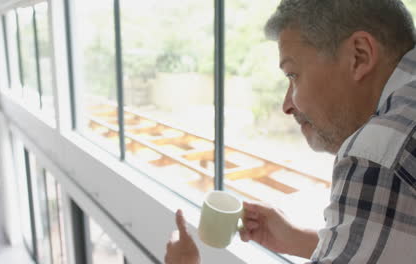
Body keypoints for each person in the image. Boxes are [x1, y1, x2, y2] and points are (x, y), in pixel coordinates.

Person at [165, 0, 416, 263]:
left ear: (359, 56)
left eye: (293, 75)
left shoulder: (380, 155)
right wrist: (297, 239)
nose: (287, 105)